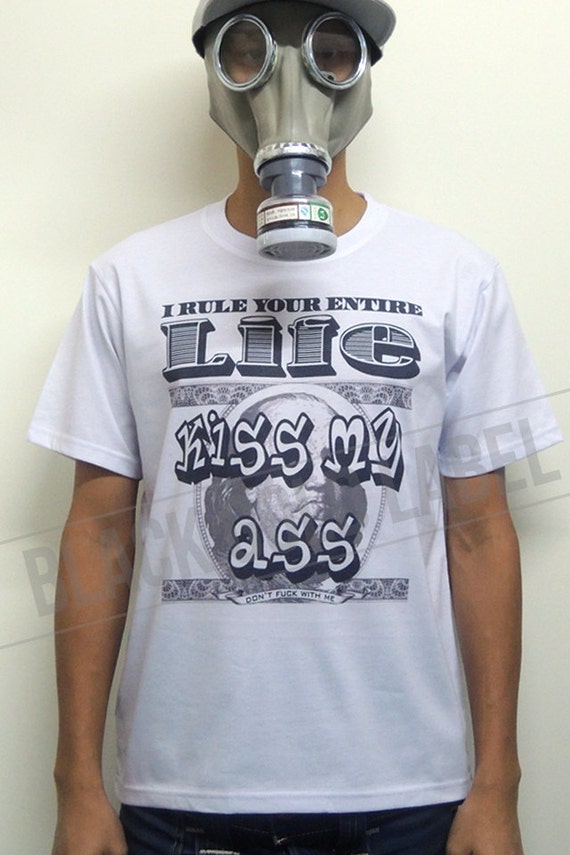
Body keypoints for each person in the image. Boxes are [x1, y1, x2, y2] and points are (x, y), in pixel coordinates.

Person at [28, 1, 562, 854]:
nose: (287, 85)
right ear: (214, 73)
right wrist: (78, 788)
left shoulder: (456, 278)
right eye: (248, 51)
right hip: (183, 794)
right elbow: (97, 534)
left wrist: (498, 785)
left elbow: (479, 533)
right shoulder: (129, 281)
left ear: (363, 74)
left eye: (328, 51)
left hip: (404, 792)